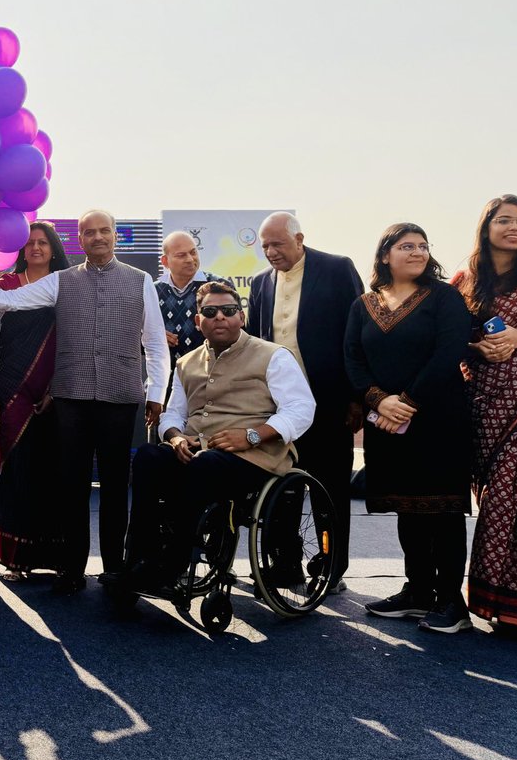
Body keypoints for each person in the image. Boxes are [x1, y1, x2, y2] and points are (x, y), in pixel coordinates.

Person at [0, 210, 170, 595]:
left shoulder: (140, 281)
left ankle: (115, 570)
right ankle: (71, 569)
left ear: (114, 235)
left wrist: (156, 393)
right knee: (73, 487)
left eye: (104, 231)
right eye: (89, 232)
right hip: (71, 398)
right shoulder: (61, 281)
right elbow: (12, 300)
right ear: (79, 240)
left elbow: (153, 341)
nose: (97, 237)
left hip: (120, 398)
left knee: (116, 488)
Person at [123, 282, 315, 587]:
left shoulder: (273, 356)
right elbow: (173, 414)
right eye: (210, 312)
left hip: (255, 456)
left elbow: (301, 408)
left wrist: (252, 436)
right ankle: (137, 560)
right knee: (148, 456)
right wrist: (175, 437)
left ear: (241, 316)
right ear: (199, 321)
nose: (220, 317)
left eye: (228, 310)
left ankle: (171, 564)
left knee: (205, 465)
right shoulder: (186, 363)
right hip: (199, 450)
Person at [344, 223, 473, 633]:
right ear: (385, 255)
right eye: (406, 246)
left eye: (422, 246)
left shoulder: (444, 297)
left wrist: (408, 403)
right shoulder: (364, 304)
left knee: (443, 510)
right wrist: (379, 400)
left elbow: (449, 352)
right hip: (386, 422)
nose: (417, 252)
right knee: (408, 507)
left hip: (438, 421)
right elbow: (352, 358)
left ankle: (451, 603)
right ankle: (418, 592)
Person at [247, 212, 363, 592]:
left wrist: (355, 398)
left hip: (329, 404)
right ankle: (285, 565)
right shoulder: (260, 282)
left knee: (329, 492)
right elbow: (255, 343)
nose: (270, 252)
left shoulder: (337, 269)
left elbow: (356, 335)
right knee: (281, 491)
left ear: (299, 239)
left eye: (277, 243)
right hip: (279, 410)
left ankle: (332, 568)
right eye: (265, 245)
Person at [453, 194, 517, 630]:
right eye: (505, 220)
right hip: (481, 401)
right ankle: (495, 600)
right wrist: (475, 347)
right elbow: (445, 335)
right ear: (487, 226)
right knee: (495, 502)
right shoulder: (465, 281)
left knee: (514, 498)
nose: (515, 228)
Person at [0, 222, 70, 578]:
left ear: (53, 248)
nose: (36, 247)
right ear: (21, 250)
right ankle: (15, 560)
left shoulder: (66, 285)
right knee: (17, 467)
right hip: (13, 388)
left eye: (43, 242)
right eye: (30, 243)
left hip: (56, 389)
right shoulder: (7, 284)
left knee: (53, 471)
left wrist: (54, 388)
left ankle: (55, 558)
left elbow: (73, 339)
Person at [155, 231, 226, 375]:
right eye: (181, 255)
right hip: (166, 379)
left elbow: (238, 334)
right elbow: (135, 339)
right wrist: (154, 337)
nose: (189, 259)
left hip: (211, 377)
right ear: (165, 261)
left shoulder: (219, 286)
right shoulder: (152, 291)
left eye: (193, 252)